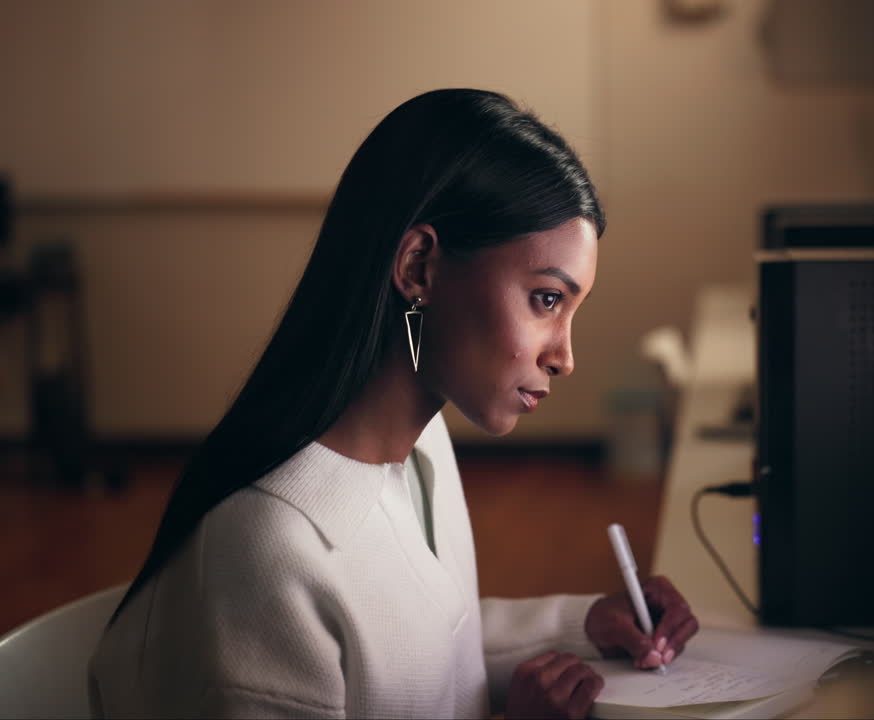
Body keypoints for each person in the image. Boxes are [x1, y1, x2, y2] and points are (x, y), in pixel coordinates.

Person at [89, 89, 700, 719]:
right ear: (419, 268)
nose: (564, 357)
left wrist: (586, 624)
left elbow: (426, 648)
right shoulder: (268, 553)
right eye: (546, 300)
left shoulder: (421, 444)